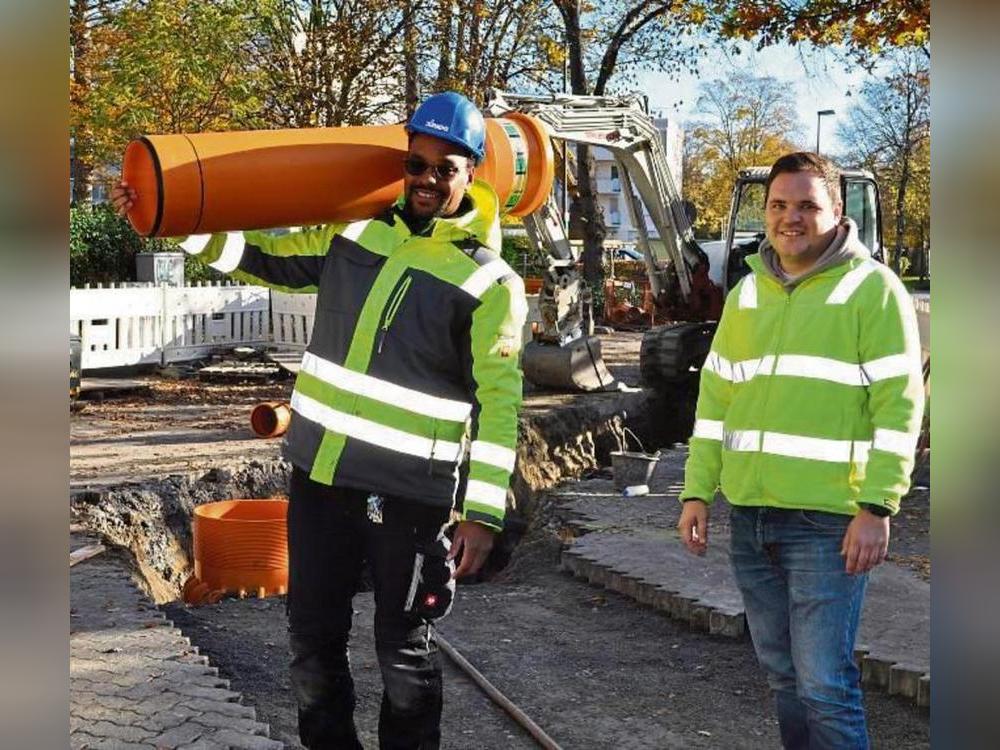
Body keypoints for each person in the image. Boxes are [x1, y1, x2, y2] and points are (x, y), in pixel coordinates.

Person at [113, 91, 527, 750]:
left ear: (470, 171)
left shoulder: (489, 282)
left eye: (445, 168)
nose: (426, 180)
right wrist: (169, 216)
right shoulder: (357, 231)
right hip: (321, 480)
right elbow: (262, 257)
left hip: (412, 498)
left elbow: (501, 403)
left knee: (404, 656)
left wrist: (481, 514)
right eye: (417, 164)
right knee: (311, 644)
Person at [676, 152, 924, 749]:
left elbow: (900, 407)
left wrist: (877, 507)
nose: (792, 218)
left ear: (836, 212)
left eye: (808, 205)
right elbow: (716, 403)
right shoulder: (747, 295)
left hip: (827, 522)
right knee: (784, 678)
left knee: (825, 686)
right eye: (780, 205)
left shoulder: (873, 290)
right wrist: (696, 491)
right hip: (752, 516)